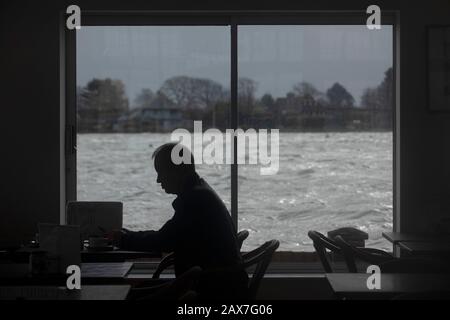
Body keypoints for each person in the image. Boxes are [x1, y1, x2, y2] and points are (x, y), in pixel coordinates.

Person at [112, 142, 248, 299]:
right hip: (221, 284)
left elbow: (163, 240)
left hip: (208, 289)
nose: (158, 180)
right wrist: (127, 235)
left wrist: (123, 239)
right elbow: (169, 236)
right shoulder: (201, 192)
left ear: (176, 171)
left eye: (160, 172)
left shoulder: (194, 199)